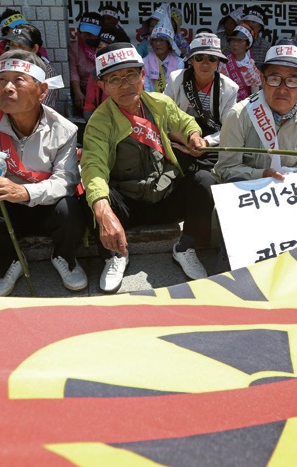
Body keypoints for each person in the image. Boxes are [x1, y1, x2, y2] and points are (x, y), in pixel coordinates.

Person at [81, 43, 213, 293]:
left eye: (131, 75)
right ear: (102, 86)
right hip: (127, 204)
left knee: (204, 181)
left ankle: (186, 247)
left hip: (165, 194)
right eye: (114, 79)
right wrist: (103, 210)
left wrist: (194, 135)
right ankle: (115, 254)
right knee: (91, 196)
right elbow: (93, 166)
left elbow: (184, 122)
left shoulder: (159, 103)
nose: (125, 84)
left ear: (143, 76)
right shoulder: (99, 122)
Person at [0, 50, 87, 297]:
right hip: (5, 206)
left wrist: (24, 192)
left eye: (18, 80)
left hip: (44, 203)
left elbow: (66, 180)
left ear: (42, 91)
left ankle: (64, 256)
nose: (7, 88)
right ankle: (9, 264)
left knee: (72, 208)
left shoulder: (63, 129)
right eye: (1, 80)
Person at [214, 43, 297, 182]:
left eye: (292, 81)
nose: (282, 89)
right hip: (254, 196)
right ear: (262, 79)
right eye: (274, 79)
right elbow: (225, 169)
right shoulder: (238, 115)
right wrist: (262, 175)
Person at [164, 33, 238, 176]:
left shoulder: (230, 88)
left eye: (211, 58)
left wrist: (205, 143)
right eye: (199, 58)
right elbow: (164, 117)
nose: (205, 63)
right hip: (179, 139)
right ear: (191, 60)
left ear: (218, 62)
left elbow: (229, 128)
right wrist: (186, 141)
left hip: (211, 143)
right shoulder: (176, 79)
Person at [0, 9, 48, 112]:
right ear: (7, 31)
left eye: (24, 26)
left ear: (34, 49)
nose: (21, 30)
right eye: (13, 46)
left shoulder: (40, 56)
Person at [0, 25, 59, 109]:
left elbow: (42, 106)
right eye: (12, 45)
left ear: (34, 48)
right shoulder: (5, 67)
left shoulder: (48, 72)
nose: (15, 50)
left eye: (21, 46)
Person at [83, 27, 130, 121]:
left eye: (106, 48)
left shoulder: (130, 74)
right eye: (99, 47)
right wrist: (93, 124)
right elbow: (89, 106)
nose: (100, 52)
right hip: (102, 122)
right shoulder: (95, 74)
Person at [68, 12, 102, 115]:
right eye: (85, 32)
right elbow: (74, 73)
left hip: (102, 88)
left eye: (91, 33)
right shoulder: (75, 49)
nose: (87, 36)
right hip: (82, 90)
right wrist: (77, 92)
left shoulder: (103, 47)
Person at [219, 23, 261, 102]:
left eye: (239, 41)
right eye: (233, 40)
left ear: (247, 45)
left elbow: (255, 96)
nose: (235, 44)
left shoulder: (252, 69)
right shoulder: (223, 63)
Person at [143, 15, 183, 93]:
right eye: (155, 40)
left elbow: (178, 88)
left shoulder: (179, 62)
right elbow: (146, 88)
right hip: (150, 102)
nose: (158, 44)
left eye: (161, 40)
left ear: (169, 44)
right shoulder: (144, 62)